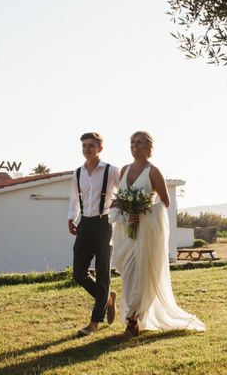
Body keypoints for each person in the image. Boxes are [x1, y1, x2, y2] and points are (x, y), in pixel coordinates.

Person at [110, 131, 205, 340]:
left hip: (146, 232)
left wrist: (142, 213)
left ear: (149, 148)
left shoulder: (153, 172)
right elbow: (118, 200)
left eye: (139, 142)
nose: (135, 145)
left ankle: (133, 321)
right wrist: (127, 213)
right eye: (132, 142)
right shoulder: (124, 170)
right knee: (128, 275)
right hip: (127, 231)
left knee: (139, 274)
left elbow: (164, 202)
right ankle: (134, 316)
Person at [68, 132, 121, 336]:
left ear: (100, 147)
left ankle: (93, 323)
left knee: (102, 272)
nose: (87, 149)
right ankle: (107, 298)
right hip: (84, 224)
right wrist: (71, 218)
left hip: (104, 224)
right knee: (78, 273)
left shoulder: (112, 171)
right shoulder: (78, 172)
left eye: (91, 145)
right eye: (84, 146)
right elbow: (74, 199)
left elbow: (124, 191)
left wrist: (118, 205)